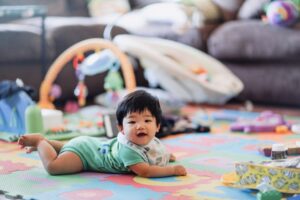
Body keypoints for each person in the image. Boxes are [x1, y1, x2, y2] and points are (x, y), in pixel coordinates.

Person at [18, 90, 187, 177]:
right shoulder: (128, 150)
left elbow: (154, 151)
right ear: (121, 128)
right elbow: (146, 171)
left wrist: (166, 156)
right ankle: (41, 142)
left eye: (147, 121)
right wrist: (171, 170)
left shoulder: (150, 140)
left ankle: (48, 145)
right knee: (54, 167)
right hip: (84, 156)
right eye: (132, 122)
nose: (140, 127)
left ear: (158, 126)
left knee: (67, 147)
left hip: (88, 144)